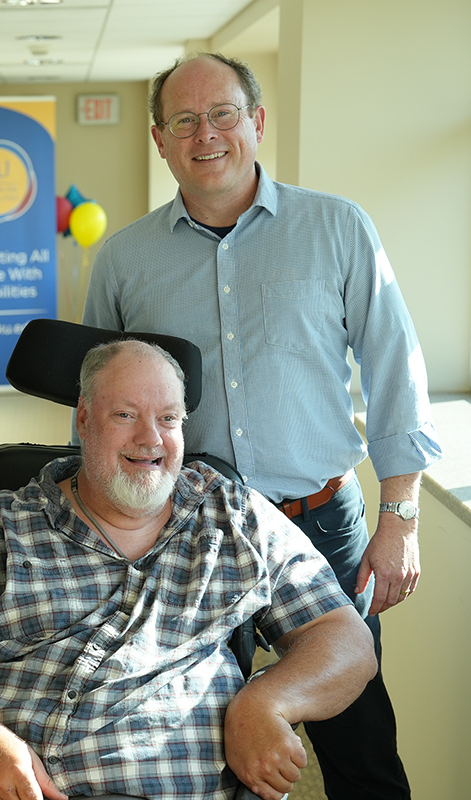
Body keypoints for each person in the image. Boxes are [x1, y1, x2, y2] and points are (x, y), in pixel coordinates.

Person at [81, 53, 441, 799]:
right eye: (184, 121)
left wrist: (400, 517)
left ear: (257, 122)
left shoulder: (337, 228)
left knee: (360, 738)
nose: (205, 134)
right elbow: (96, 412)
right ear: (159, 139)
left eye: (222, 115)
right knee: (193, 737)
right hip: (189, 534)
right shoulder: (124, 261)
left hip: (322, 528)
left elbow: (395, 370)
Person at [0, 339, 377, 800]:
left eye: (169, 419)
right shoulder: (5, 523)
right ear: (85, 420)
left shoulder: (234, 518)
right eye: (125, 415)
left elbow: (345, 638)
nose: (150, 438)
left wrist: (268, 702)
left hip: (170, 784)